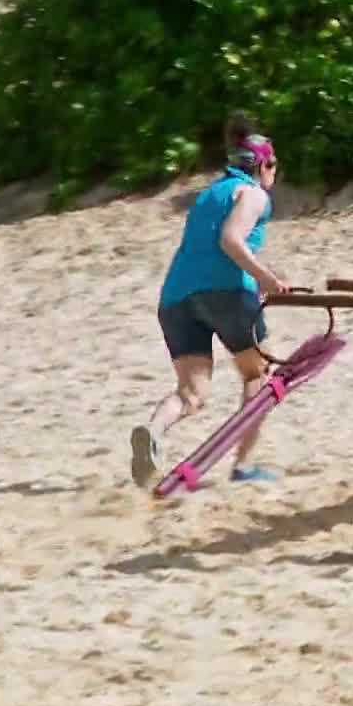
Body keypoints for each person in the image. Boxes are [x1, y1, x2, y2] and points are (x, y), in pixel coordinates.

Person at [132, 112, 290, 488]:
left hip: (176, 298)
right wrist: (267, 280)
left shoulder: (208, 195)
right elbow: (231, 241)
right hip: (227, 294)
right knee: (257, 375)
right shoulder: (253, 194)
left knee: (192, 393)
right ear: (262, 165)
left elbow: (208, 245)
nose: (274, 172)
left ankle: (154, 431)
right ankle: (243, 467)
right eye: (273, 165)